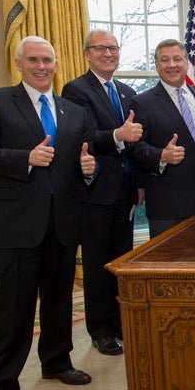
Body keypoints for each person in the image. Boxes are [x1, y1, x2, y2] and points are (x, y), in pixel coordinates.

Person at [0, 36, 96, 390]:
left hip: (62, 222)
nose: (42, 67)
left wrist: (87, 168)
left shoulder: (72, 112)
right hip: (16, 224)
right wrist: (24, 157)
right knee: (13, 311)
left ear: (56, 65)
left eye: (48, 60)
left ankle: (57, 362)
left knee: (58, 299)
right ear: (19, 64)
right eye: (34, 60)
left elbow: (74, 165)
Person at [61, 29, 141, 356]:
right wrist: (117, 135)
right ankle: (100, 329)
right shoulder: (75, 90)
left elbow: (135, 143)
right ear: (87, 54)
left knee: (119, 261)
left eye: (113, 48)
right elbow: (84, 134)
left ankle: (120, 321)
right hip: (95, 191)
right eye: (100, 48)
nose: (108, 53)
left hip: (124, 191)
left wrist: (138, 184)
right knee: (96, 263)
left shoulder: (126, 91)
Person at [128, 39, 195, 238]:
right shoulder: (142, 102)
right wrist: (161, 156)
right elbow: (134, 148)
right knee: (168, 269)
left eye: (177, 59)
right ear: (156, 65)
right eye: (165, 60)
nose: (172, 65)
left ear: (187, 63)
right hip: (167, 207)